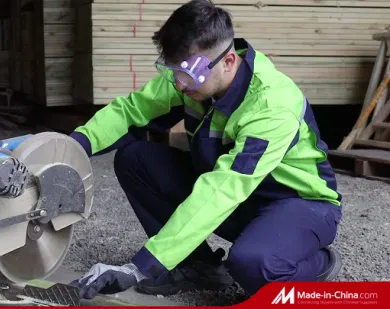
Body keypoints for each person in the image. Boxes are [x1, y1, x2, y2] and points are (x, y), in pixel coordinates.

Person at [67, 0, 343, 300]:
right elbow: (131, 111)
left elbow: (223, 190)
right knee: (136, 160)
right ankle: (199, 266)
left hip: (298, 203)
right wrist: (68, 148)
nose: (180, 85)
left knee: (252, 263)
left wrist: (141, 267)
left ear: (228, 61)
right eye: (173, 71)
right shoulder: (193, 74)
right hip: (241, 198)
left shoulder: (272, 107)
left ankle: (316, 263)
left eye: (189, 75)